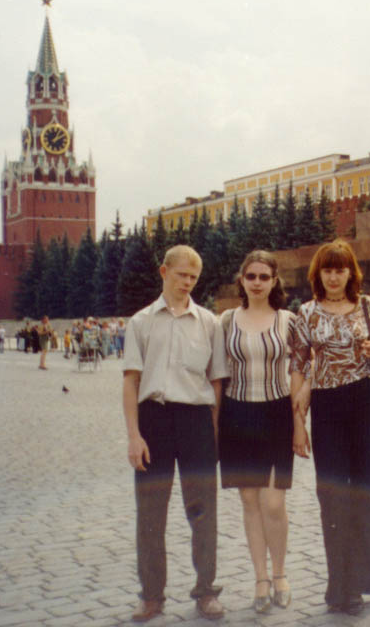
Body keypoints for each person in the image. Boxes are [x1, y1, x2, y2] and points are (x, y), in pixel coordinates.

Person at [122, 245, 228, 622]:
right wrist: (134, 436)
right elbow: (131, 381)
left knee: (203, 512)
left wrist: (213, 430)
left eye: (194, 277)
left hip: (196, 420)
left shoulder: (209, 323)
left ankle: (206, 591)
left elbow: (216, 382)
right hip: (154, 420)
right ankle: (152, 596)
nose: (187, 283)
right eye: (182, 275)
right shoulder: (140, 322)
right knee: (150, 514)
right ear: (164, 271)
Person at [289, 240, 370, 615]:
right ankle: (340, 586)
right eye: (327, 270)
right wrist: (298, 424)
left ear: (351, 273)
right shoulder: (306, 313)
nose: (334, 277)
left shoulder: (367, 306)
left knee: (366, 493)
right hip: (327, 407)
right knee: (332, 495)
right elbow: (298, 366)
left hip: (368, 404)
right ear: (318, 274)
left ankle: (363, 581)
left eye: (340, 270)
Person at [219, 251, 298, 614]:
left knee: (274, 502)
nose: (257, 282)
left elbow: (302, 371)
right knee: (250, 501)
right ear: (242, 279)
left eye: (264, 276)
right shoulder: (226, 321)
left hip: (277, 413)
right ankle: (261, 579)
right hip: (237, 415)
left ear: (274, 281)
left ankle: (280, 574)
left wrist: (299, 420)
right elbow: (216, 374)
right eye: (251, 276)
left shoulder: (288, 321)